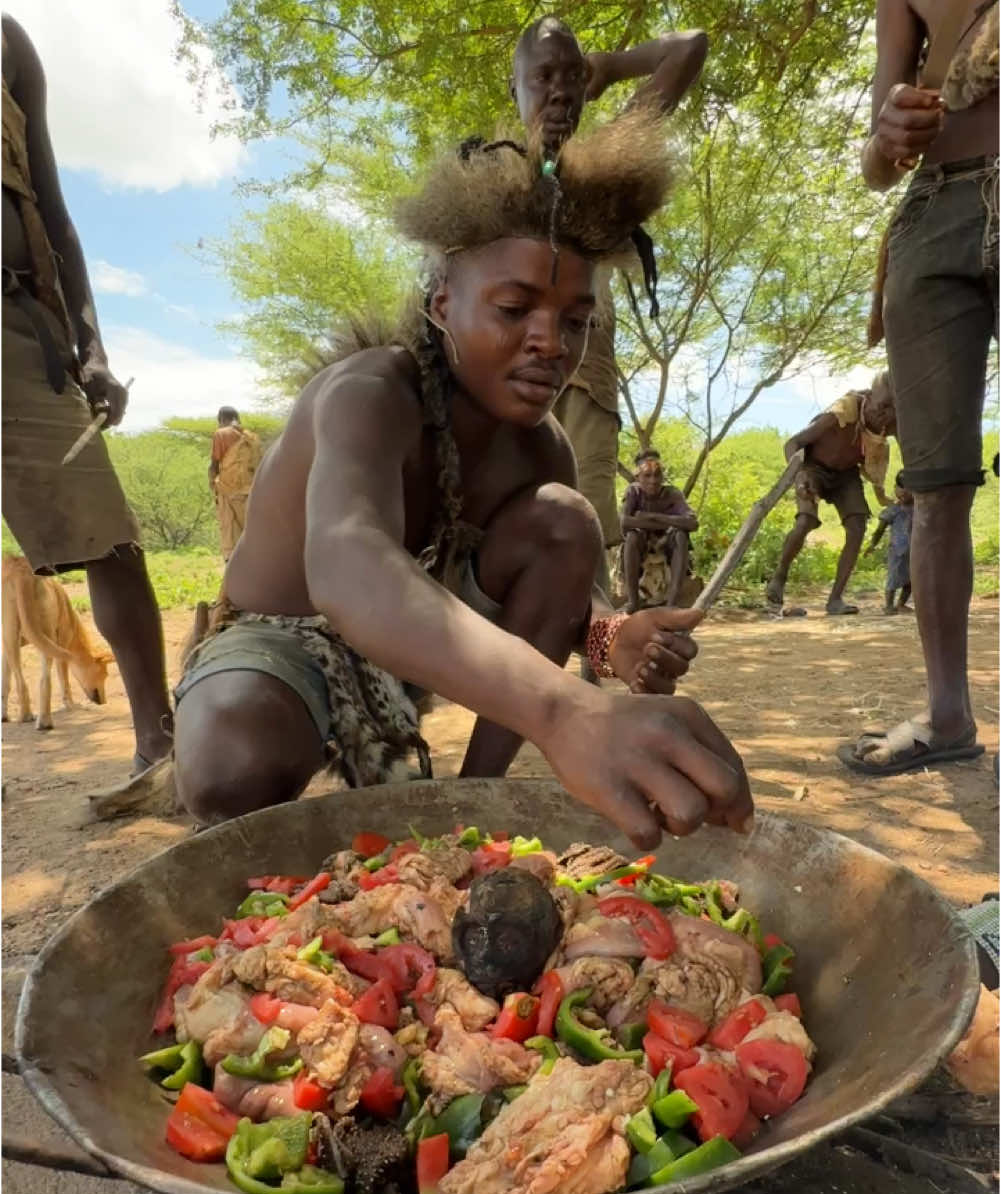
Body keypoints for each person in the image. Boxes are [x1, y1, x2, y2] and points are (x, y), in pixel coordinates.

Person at [171, 109, 753, 848]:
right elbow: (348, 566)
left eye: (574, 321)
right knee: (235, 755)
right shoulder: (369, 392)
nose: (549, 341)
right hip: (285, 639)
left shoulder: (538, 448)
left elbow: (578, 596)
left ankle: (470, 808)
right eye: (514, 308)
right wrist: (562, 709)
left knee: (563, 517)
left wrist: (614, 640)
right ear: (442, 303)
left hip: (408, 646)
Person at [1, 14, 172, 786]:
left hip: (18, 328)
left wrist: (92, 345)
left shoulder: (8, 42)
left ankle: (161, 749)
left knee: (110, 535)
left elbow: (56, 214)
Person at [839, 0, 996, 775]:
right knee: (932, 484)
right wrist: (888, 137)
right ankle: (946, 714)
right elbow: (876, 165)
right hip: (932, 216)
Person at [510, 17, 708, 591]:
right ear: (515, 85)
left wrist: (610, 66)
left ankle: (598, 662)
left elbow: (689, 47)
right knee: (501, 524)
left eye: (572, 76)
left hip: (580, 381)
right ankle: (501, 671)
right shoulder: (484, 171)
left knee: (586, 525)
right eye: (543, 75)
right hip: (499, 381)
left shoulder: (605, 164)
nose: (561, 89)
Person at [765, 374, 897, 617]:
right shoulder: (842, 411)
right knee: (805, 521)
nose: (884, 415)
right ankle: (779, 576)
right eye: (881, 407)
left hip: (846, 475)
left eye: (891, 410)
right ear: (869, 397)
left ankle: (835, 598)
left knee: (857, 527)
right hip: (813, 467)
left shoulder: (890, 424)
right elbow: (793, 443)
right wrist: (800, 475)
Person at [620, 448, 698, 612]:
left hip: (668, 546)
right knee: (633, 536)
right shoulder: (633, 492)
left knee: (681, 536)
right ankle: (633, 602)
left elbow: (692, 523)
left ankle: (672, 603)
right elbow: (624, 523)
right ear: (638, 476)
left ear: (662, 475)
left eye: (657, 474)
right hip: (641, 547)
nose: (653, 481)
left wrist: (651, 516)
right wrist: (671, 522)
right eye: (647, 475)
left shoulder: (672, 493)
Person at [209, 406, 262, 562]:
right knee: (252, 534)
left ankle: (233, 569)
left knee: (230, 534)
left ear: (221, 419)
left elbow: (214, 463)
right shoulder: (253, 438)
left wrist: (212, 483)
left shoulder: (221, 434)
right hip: (252, 492)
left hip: (229, 491)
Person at [865, 482, 914, 613]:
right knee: (893, 577)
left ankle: (901, 604)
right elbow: (880, 529)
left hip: (916, 552)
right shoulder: (893, 510)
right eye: (899, 487)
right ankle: (889, 604)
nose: (903, 491)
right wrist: (872, 545)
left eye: (908, 487)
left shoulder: (920, 508)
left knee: (912, 580)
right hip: (897, 551)